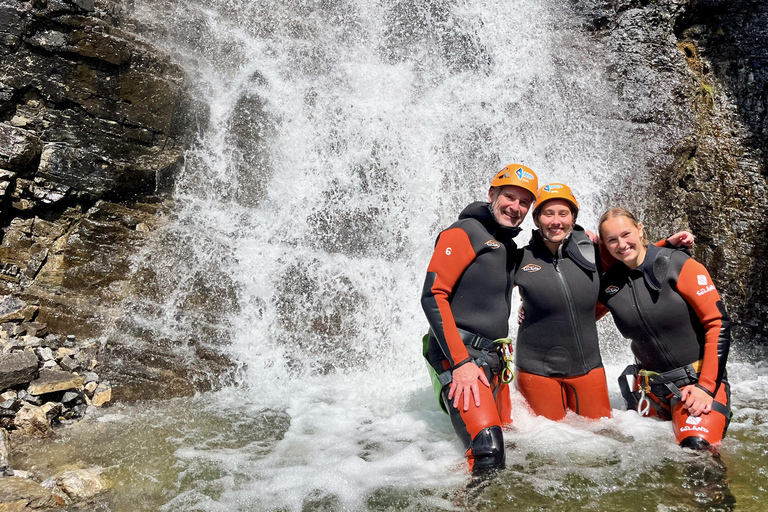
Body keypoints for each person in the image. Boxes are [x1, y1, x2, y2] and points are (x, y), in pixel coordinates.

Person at [421, 163, 538, 475]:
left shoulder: (508, 247)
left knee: (508, 446)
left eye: (524, 202)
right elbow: (433, 295)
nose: (515, 207)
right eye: (509, 197)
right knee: (487, 452)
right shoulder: (464, 232)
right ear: (492, 194)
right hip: (461, 356)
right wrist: (460, 363)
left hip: (493, 358)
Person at [597, 207, 731, 450]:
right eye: (612, 240)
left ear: (640, 229)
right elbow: (572, 312)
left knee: (697, 452)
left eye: (626, 234)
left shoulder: (679, 264)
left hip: (695, 382)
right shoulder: (609, 285)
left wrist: (705, 387)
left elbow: (718, 323)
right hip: (649, 391)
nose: (622, 244)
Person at [512, 183, 611, 421]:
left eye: (563, 213)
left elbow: (634, 259)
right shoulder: (520, 259)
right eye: (548, 214)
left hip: (589, 368)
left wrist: (668, 246)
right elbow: (485, 294)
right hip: (535, 370)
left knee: (602, 441)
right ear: (536, 219)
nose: (556, 221)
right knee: (546, 448)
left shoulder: (593, 251)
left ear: (573, 217)